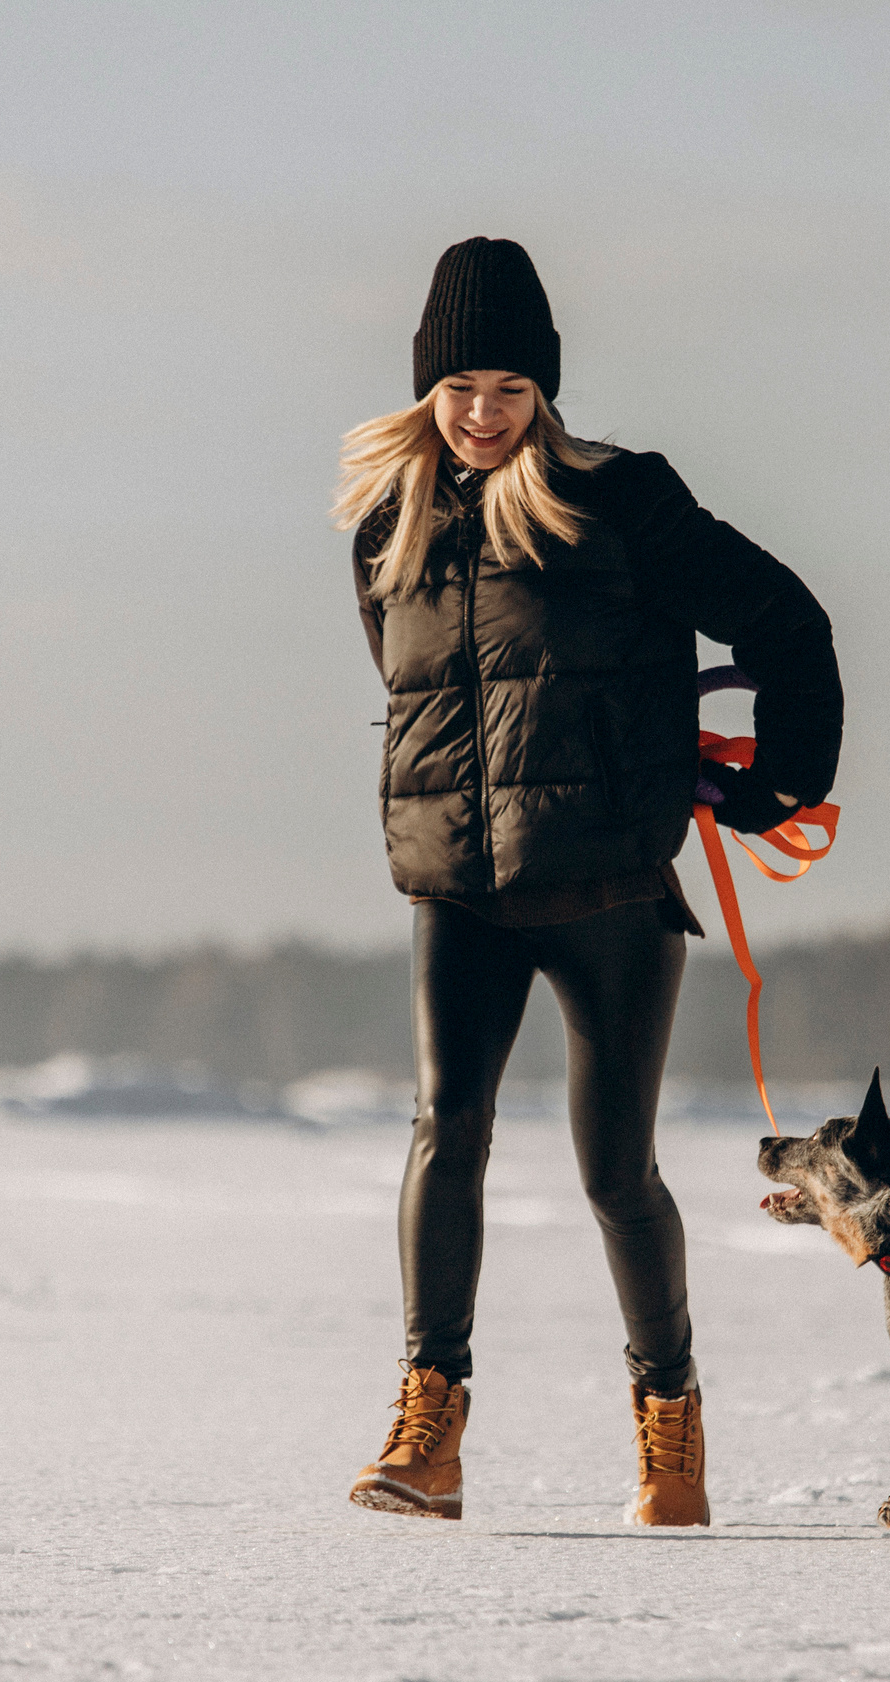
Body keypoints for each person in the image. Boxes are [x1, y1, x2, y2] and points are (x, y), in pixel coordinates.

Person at [334, 237, 843, 1526]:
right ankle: (427, 1429)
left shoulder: (622, 500)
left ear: (546, 391)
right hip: (457, 887)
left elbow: (787, 619)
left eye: (511, 389)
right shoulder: (390, 527)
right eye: (461, 388)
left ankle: (670, 1435)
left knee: (616, 1170)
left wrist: (777, 784)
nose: (484, 414)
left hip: (610, 887)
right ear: (424, 390)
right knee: (446, 1129)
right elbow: (419, 697)